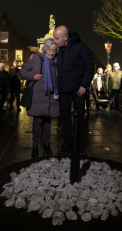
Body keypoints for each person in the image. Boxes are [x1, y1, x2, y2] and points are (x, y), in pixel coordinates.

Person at [53, 25, 95, 153]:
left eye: (57, 38)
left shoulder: (81, 47)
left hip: (78, 89)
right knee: (65, 117)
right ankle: (68, 141)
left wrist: (84, 84)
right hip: (63, 89)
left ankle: (78, 143)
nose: (55, 41)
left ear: (66, 37)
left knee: (79, 116)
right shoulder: (58, 49)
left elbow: (90, 66)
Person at [20, 38, 60, 158]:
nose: (52, 53)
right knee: (37, 123)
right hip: (38, 97)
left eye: (54, 50)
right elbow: (22, 71)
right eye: (49, 50)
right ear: (45, 49)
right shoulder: (37, 59)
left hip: (51, 97)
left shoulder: (55, 62)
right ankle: (35, 146)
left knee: (48, 123)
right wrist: (32, 76)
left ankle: (47, 144)